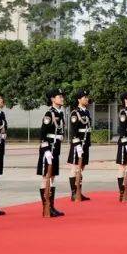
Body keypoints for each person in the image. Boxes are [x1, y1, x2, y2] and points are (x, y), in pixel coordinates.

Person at [37, 88, 66, 217]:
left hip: (56, 147)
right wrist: (46, 150)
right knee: (46, 176)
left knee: (52, 175)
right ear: (53, 99)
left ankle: (51, 206)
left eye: (62, 96)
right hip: (48, 148)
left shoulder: (60, 113)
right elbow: (43, 133)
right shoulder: (50, 114)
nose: (62, 98)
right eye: (59, 96)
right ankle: (46, 207)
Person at [67, 90, 93, 202]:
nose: (86, 99)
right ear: (79, 100)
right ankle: (74, 193)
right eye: (84, 97)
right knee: (75, 167)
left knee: (81, 168)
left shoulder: (86, 112)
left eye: (87, 97)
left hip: (85, 143)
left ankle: (79, 192)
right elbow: (73, 131)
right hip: (78, 144)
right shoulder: (75, 113)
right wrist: (77, 144)